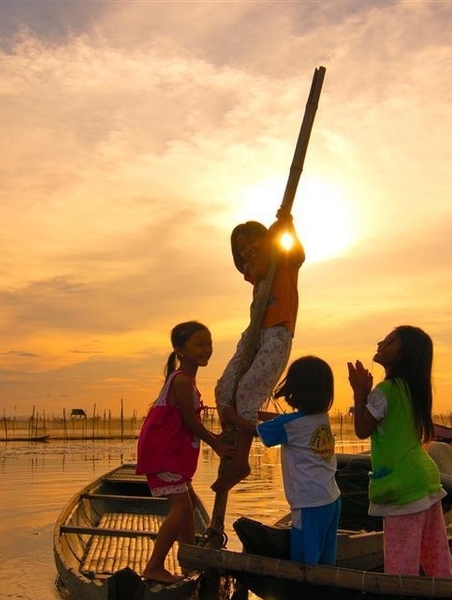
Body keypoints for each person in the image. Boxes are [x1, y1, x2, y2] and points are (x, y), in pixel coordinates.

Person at [347, 325, 452, 577]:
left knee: (400, 567)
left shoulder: (385, 391)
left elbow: (362, 430)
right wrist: (366, 395)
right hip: (424, 478)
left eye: (388, 341)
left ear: (402, 354)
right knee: (437, 558)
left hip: (403, 486)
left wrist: (359, 393)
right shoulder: (411, 389)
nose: (380, 343)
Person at [213, 206, 305, 494]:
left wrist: (286, 227)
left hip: (278, 332)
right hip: (254, 334)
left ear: (266, 242)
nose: (247, 250)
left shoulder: (284, 260)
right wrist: (273, 237)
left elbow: (298, 255)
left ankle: (241, 460)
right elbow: (258, 267)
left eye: (253, 241)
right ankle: (231, 436)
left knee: (247, 394)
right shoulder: (256, 270)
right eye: (241, 248)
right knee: (224, 390)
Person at [135, 321, 233, 585]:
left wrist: (217, 438)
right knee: (181, 507)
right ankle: (153, 567)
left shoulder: (188, 380)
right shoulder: (181, 381)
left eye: (209, 344)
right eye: (200, 344)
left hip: (172, 453)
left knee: (188, 508)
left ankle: (189, 558)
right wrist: (217, 444)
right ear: (180, 351)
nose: (207, 349)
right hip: (163, 453)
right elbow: (191, 422)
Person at [227, 355, 340, 565]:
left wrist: (231, 415)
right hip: (331, 498)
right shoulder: (320, 417)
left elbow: (253, 431)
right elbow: (283, 422)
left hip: (309, 503)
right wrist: (259, 413)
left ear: (295, 391)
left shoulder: (290, 425)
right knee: (325, 557)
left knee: (305, 561)